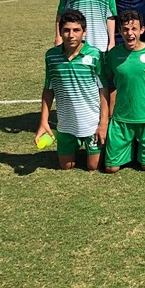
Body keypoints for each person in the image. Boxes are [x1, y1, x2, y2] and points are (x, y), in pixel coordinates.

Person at [36, 10, 109, 170]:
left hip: (91, 123)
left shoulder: (95, 55)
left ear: (84, 32)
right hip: (66, 124)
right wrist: (43, 121)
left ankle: (94, 144)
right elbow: (48, 89)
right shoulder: (51, 56)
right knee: (66, 166)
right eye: (66, 30)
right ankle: (71, 142)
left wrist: (103, 123)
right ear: (60, 31)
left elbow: (103, 89)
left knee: (93, 166)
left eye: (76, 30)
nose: (71, 35)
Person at [104, 10, 145, 173]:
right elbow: (106, 82)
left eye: (134, 28)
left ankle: (136, 146)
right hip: (122, 117)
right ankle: (131, 145)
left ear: (142, 30)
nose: (130, 33)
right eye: (125, 29)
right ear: (120, 31)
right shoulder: (113, 55)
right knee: (111, 168)